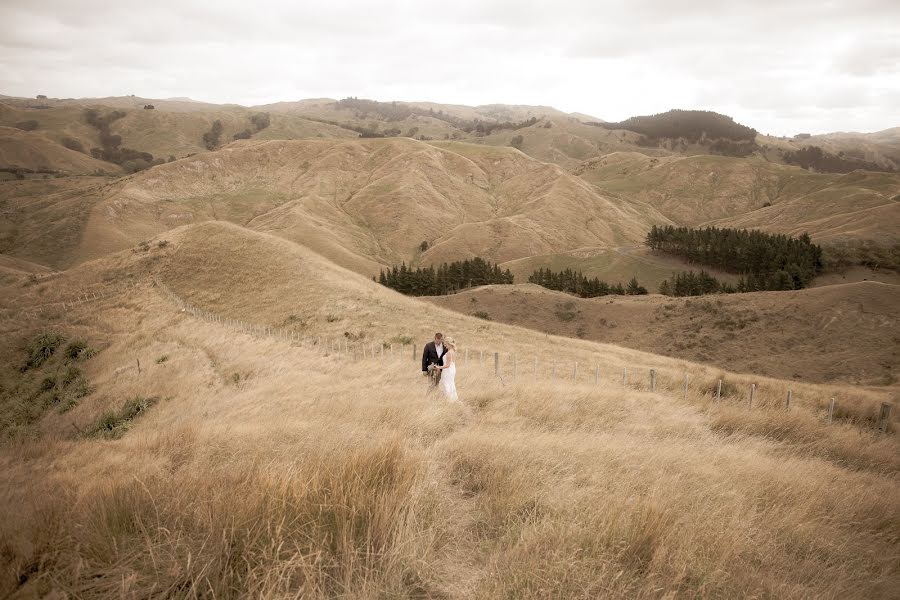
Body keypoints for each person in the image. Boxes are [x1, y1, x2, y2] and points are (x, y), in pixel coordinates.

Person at [434, 336, 459, 402]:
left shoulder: (448, 353)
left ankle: (449, 400)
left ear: (449, 344)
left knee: (446, 384)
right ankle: (453, 399)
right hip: (452, 369)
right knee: (450, 383)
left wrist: (438, 367)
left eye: (445, 344)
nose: (445, 346)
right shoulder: (453, 351)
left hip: (448, 370)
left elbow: (447, 365)